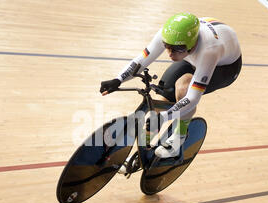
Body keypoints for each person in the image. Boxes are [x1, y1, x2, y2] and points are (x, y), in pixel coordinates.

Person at [100, 12, 242, 170]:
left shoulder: (210, 50)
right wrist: (118, 79)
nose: (170, 53)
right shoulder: (169, 35)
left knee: (183, 87)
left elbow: (193, 97)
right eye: (167, 47)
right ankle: (143, 153)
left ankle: (178, 138)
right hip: (193, 55)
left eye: (175, 49)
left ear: (191, 44)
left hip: (225, 67)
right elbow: (142, 59)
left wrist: (164, 118)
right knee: (162, 98)